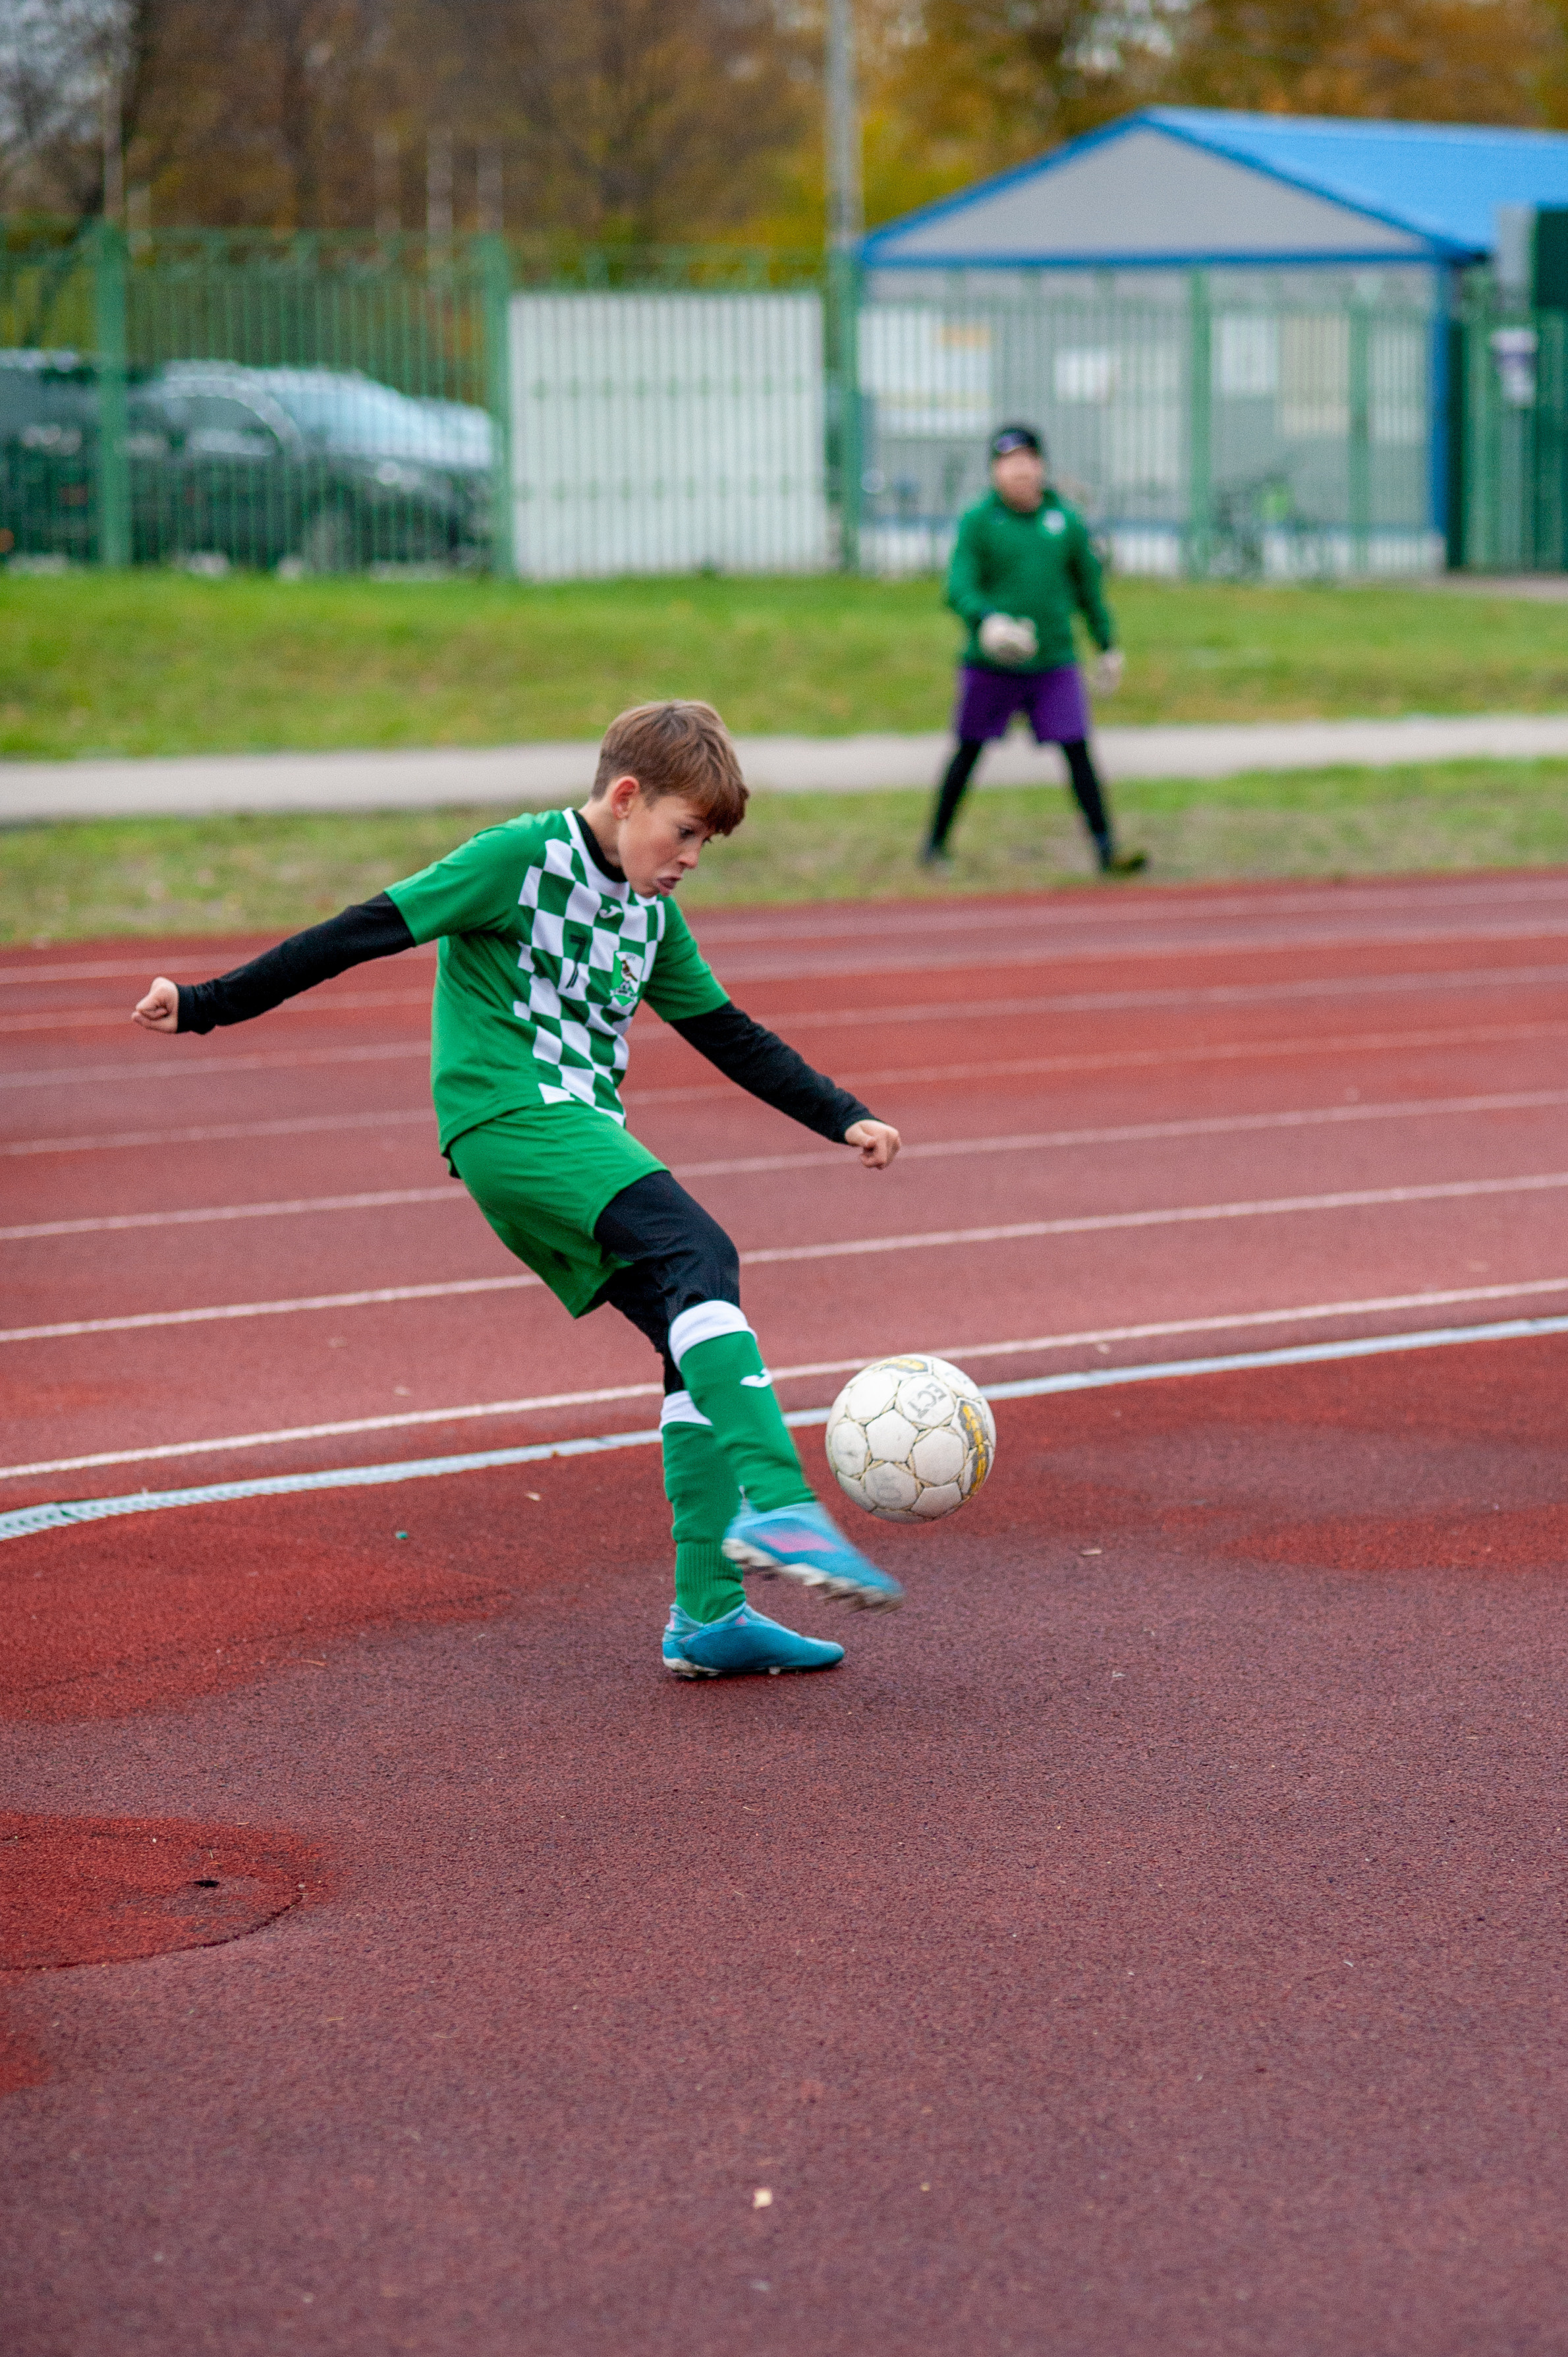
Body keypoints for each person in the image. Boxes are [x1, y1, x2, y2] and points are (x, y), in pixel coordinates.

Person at [132, 700, 906, 1682]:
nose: (692, 858)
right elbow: (362, 931)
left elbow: (729, 1033)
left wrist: (842, 1113)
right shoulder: (518, 859)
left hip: (572, 1130)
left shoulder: (650, 915)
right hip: (508, 1118)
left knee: (692, 1319)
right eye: (686, 831)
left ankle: (709, 1614)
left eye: (706, 841)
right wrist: (204, 1006)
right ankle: (780, 1503)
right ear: (627, 799)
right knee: (700, 1255)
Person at [922, 423, 1146, 877]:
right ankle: (935, 845)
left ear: (1041, 467)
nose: (1018, 473)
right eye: (1008, 464)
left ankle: (1106, 849)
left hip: (1053, 661)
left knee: (1077, 750)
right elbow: (958, 585)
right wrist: (987, 619)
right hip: (993, 663)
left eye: (1026, 462)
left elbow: (1089, 588)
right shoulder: (980, 520)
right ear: (994, 471)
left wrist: (1107, 645)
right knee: (968, 750)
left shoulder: (1065, 520)